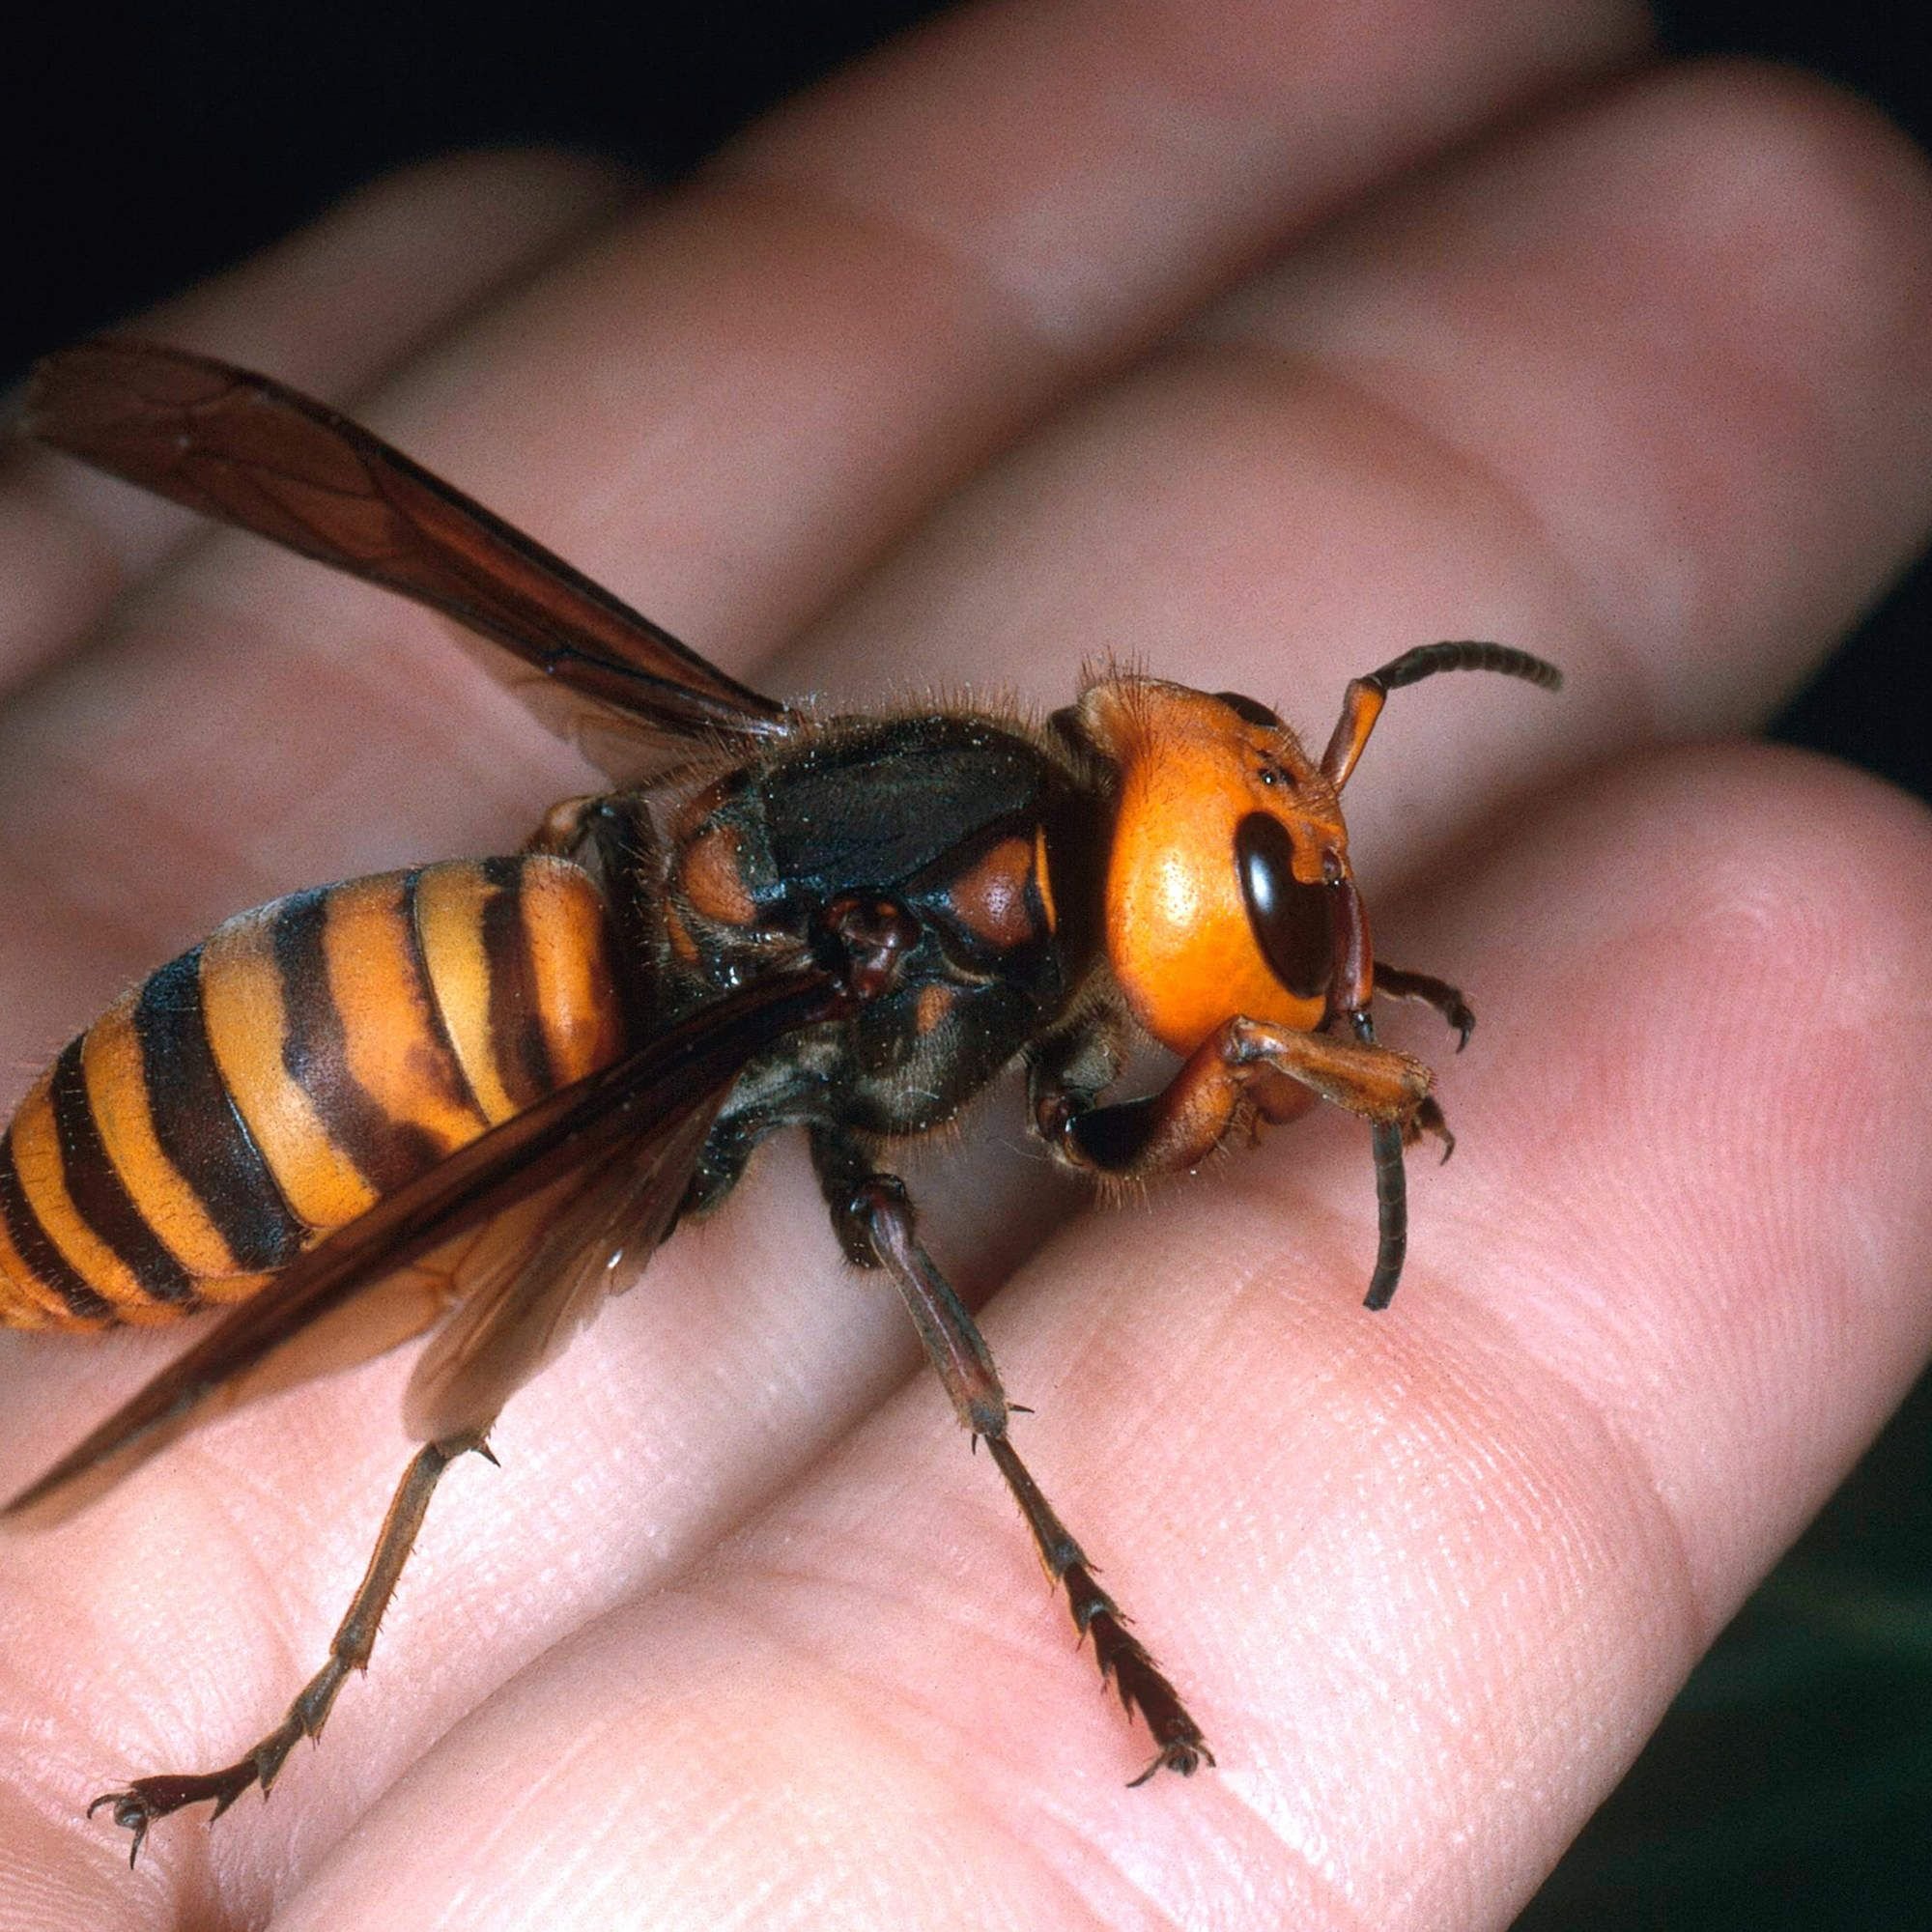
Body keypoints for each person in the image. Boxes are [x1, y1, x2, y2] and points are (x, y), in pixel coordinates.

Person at [2, 2, 1929, 1923]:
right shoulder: (900, 957)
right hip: (291, 1099)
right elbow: (1091, 1133)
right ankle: (319, 1688)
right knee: (535, 1337)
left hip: (422, 955)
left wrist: (1283, 1038)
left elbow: (1112, 1106)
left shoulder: (965, 840)